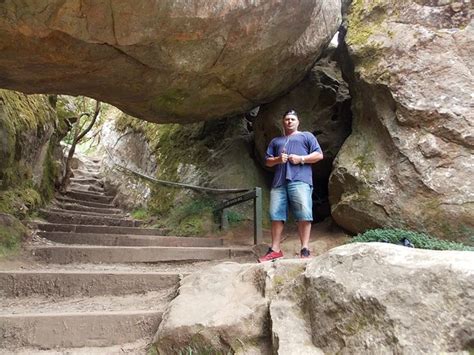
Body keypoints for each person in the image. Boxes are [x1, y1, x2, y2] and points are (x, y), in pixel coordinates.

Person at [258, 109, 323, 262]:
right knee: (276, 215)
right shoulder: (276, 141)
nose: (289, 121)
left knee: (304, 213)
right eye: (287, 119)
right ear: (283, 122)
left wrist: (301, 159)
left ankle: (305, 249)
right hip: (279, 182)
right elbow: (267, 161)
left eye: (292, 119)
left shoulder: (306, 136)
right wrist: (278, 160)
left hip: (300, 180)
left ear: (298, 122)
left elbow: (319, 155)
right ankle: (275, 250)